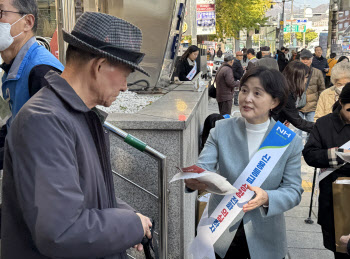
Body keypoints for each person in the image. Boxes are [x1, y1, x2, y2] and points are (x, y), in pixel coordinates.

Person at [1, 12, 152, 258]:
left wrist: (131, 220)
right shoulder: (45, 121)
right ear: (99, 66)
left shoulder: (75, 114)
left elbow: (87, 198)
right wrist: (130, 226)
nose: (125, 86)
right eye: (126, 74)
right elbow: (61, 232)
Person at [186, 66, 303, 259]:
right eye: (244, 90)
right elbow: (203, 168)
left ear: (275, 101)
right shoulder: (220, 130)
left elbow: (293, 190)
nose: (247, 98)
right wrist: (193, 179)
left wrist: (268, 197)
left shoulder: (288, 141)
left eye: (257, 93)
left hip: (266, 237)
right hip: (221, 233)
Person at [0, 0, 64, 168]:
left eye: (0, 12)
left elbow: (46, 142)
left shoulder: (42, 71)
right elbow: (13, 128)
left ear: (27, 22)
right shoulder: (15, 67)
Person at [303, 83, 350, 259]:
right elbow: (309, 154)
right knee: (341, 248)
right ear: (340, 102)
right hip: (335, 196)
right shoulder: (324, 124)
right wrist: (339, 155)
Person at [273, 61, 314, 133]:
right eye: (306, 77)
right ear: (298, 78)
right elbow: (298, 122)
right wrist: (320, 127)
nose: (306, 81)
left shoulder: (281, 87)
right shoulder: (287, 94)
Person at [298, 49, 325, 140]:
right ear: (300, 59)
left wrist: (321, 105)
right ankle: (297, 151)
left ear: (311, 59)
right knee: (297, 132)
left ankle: (308, 150)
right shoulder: (295, 71)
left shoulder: (317, 72)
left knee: (312, 130)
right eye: (303, 59)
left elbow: (322, 90)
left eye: (307, 59)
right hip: (298, 106)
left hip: (313, 107)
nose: (305, 61)